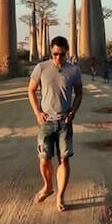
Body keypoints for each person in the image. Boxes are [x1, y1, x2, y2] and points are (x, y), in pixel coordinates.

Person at [28, 36, 83, 212]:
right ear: (51, 51)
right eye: (55, 54)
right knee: (44, 159)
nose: (58, 57)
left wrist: (73, 112)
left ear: (67, 51)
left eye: (62, 54)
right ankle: (48, 186)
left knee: (63, 159)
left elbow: (79, 93)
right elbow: (31, 90)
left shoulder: (73, 70)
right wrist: (37, 112)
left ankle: (60, 195)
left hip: (64, 123)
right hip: (46, 123)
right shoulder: (41, 68)